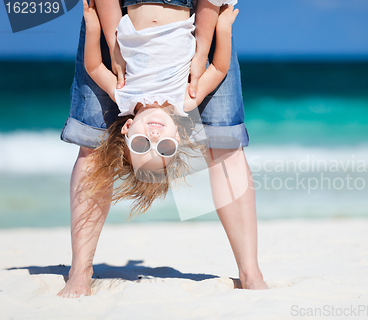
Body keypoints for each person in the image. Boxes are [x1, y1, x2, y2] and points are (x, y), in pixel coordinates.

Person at [58, 0, 268, 298]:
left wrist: (102, 33)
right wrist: (217, 34)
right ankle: (80, 272)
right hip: (188, 16)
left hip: (127, 14)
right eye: (165, 146)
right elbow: (219, 68)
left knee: (96, 145)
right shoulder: (186, 100)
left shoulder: (123, 94)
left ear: (127, 129)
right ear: (179, 138)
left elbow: (94, 66)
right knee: (225, 144)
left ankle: (250, 272)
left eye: (142, 144)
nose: (154, 137)